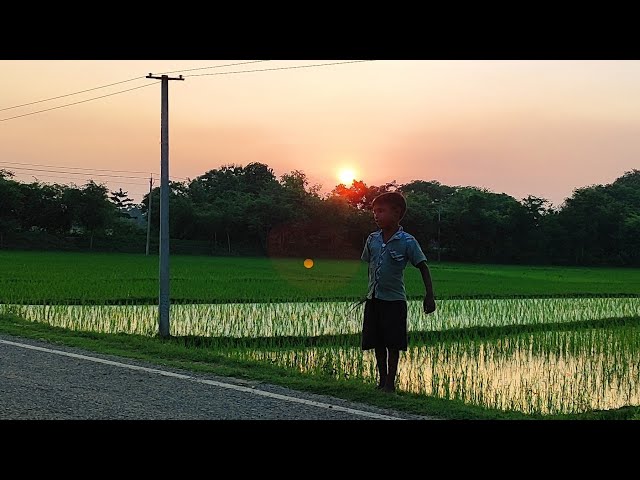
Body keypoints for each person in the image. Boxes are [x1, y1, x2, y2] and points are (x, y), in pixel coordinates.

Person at [360, 191, 436, 393]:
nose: (376, 215)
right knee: (376, 341)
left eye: (381, 211)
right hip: (374, 298)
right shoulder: (372, 239)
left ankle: (390, 383)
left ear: (396, 213)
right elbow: (370, 264)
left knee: (393, 343)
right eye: (374, 211)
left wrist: (429, 295)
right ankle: (381, 380)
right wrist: (369, 290)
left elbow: (423, 267)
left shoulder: (408, 241)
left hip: (394, 301)